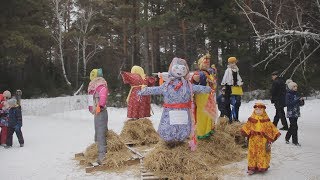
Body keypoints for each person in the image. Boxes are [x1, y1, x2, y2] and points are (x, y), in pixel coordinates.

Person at [139, 57, 211, 148]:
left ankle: (179, 141)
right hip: (172, 112)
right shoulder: (168, 85)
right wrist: (144, 91)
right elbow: (156, 89)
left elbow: (197, 88)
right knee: (171, 126)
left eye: (182, 69)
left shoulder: (187, 85)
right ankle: (170, 142)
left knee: (181, 127)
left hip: (182, 112)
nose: (180, 71)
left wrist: (207, 89)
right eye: (177, 68)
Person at [241, 102, 281, 175]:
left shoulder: (266, 120)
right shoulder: (251, 119)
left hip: (263, 141)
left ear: (263, 110)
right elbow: (247, 127)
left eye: (260, 110)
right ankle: (252, 167)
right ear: (254, 110)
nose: (258, 111)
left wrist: (269, 139)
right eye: (256, 110)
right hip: (253, 140)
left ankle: (261, 166)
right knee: (252, 153)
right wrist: (247, 134)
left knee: (262, 153)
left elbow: (271, 129)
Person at [191, 53, 217, 139]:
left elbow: (213, 85)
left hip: (210, 97)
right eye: (205, 62)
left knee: (209, 114)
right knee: (203, 114)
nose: (207, 64)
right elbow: (194, 80)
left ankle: (208, 131)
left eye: (208, 63)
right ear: (201, 64)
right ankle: (201, 133)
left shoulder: (209, 73)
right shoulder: (199, 73)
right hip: (202, 97)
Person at [87, 68, 109, 164]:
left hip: (101, 112)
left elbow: (103, 96)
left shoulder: (101, 86)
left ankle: (102, 156)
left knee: (101, 133)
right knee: (98, 132)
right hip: (96, 113)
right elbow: (90, 99)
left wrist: (100, 105)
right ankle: (99, 151)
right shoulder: (92, 86)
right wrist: (91, 108)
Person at [221, 57, 243, 123]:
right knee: (227, 104)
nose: (233, 64)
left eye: (234, 62)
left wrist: (240, 83)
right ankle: (229, 118)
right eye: (232, 63)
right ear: (229, 63)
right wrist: (225, 86)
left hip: (237, 89)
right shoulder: (228, 70)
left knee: (237, 103)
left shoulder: (237, 69)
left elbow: (238, 78)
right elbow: (225, 80)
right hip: (229, 88)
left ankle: (236, 118)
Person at [285, 81, 304, 146]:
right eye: (294, 86)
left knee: (292, 126)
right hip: (291, 113)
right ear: (290, 87)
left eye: (296, 86)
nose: (296, 88)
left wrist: (302, 101)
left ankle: (287, 137)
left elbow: (301, 104)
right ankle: (295, 141)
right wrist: (297, 100)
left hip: (296, 113)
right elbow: (288, 104)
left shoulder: (297, 94)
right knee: (295, 127)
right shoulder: (288, 94)